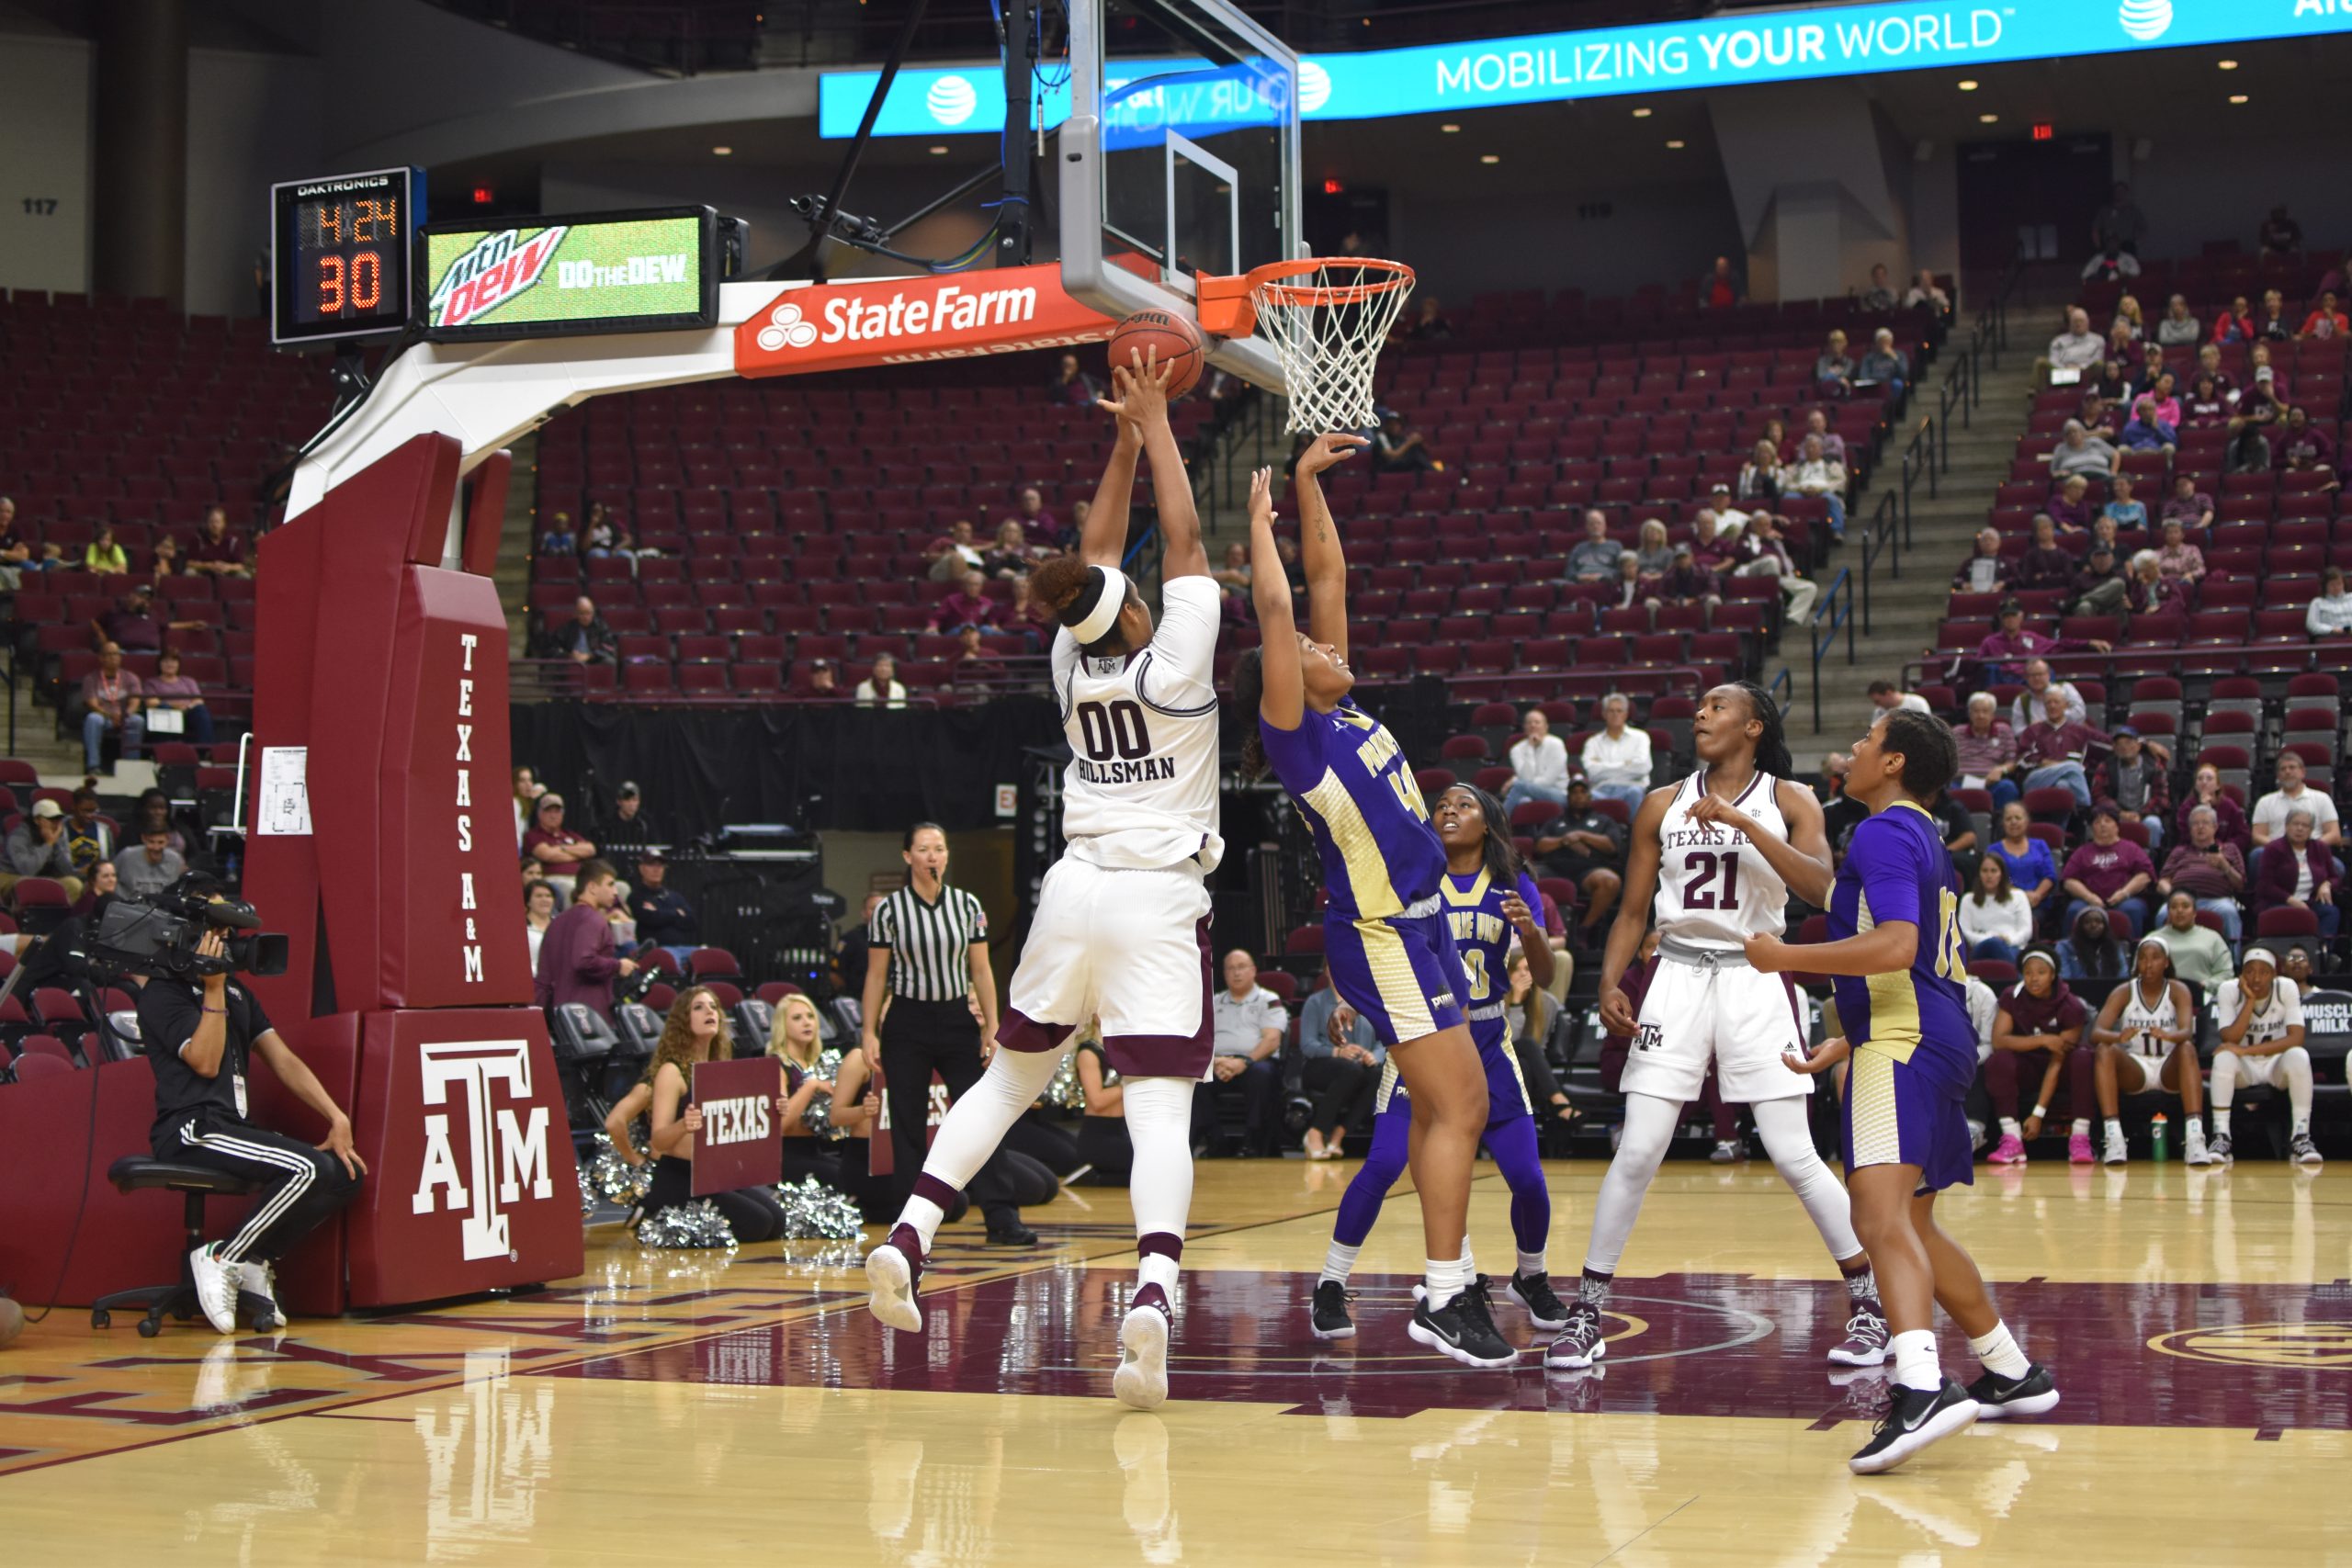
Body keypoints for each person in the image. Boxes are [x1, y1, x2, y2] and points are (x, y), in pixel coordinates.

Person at [865, 356, 1220, 1412]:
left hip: (1072, 890)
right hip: (1156, 895)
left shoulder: (1073, 669)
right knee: (1159, 1116)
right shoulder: (1176, 667)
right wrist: (1155, 427)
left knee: (1007, 1085)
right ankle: (1151, 1291)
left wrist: (1116, 440)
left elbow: (1094, 560)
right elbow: (1184, 542)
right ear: (1140, 618)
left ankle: (910, 1233)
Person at [1237, 433, 1513, 1372]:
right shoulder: (1300, 738)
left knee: (1462, 1104)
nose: (1326, 644)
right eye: (1309, 650)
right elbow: (1281, 605)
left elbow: (1329, 579)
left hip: (1424, 925)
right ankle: (1442, 1293)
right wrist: (1257, 530)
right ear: (1287, 676)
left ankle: (1455, 1276)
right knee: (1453, 1109)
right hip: (1380, 937)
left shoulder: (1346, 706)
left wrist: (1312, 486)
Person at [1547, 683, 1887, 1373]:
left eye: (1718, 705)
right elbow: (1633, 909)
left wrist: (1744, 824)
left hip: (1756, 972)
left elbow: (1822, 888)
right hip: (1674, 973)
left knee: (1794, 1152)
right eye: (1700, 706)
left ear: (1754, 725)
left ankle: (1871, 1303)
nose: (1701, 713)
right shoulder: (1658, 803)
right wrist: (1612, 980)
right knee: (1638, 1147)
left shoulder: (1790, 799)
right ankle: (1585, 1313)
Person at [1759, 709, 2054, 1471]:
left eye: (1864, 739)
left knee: (1877, 1214)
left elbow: (1895, 944)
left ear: (1891, 761)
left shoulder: (1883, 831)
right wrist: (1748, 828)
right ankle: (2011, 1369)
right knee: (1915, 1223)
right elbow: (1841, 898)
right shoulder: (1918, 833)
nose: (1851, 748)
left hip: (1905, 1040)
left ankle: (1923, 1388)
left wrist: (1783, 954)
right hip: (1936, 1034)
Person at [1311, 785, 1568, 1343]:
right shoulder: (1410, 877)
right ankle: (1331, 1283)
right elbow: (1368, 944)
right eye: (1442, 803)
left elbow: (1545, 977)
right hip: (1422, 1040)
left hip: (1488, 1041)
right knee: (1382, 1166)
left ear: (1490, 823)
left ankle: (1532, 1277)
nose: (1448, 809)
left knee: (1526, 1176)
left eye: (1465, 803)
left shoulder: (1511, 885)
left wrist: (1531, 933)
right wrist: (1345, 999)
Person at [138, 909, 366, 1333]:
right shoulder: (163, 993)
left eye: (229, 930)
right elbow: (204, 1063)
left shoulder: (238, 992)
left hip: (231, 1127)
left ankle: (255, 1259)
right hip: (191, 1129)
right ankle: (224, 1257)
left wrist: (337, 1116)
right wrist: (213, 987)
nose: (226, 938)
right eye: (216, 929)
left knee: (343, 1172)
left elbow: (283, 1060)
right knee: (307, 1166)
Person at [856, 821, 1027, 1247]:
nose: (933, 855)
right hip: (907, 1021)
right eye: (924, 849)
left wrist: (992, 1024)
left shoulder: (967, 905)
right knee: (908, 1124)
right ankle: (910, 1226)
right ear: (907, 856)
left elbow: (982, 970)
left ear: (947, 856)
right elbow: (877, 976)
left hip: (955, 1018)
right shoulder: (889, 911)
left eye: (939, 848)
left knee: (981, 1115)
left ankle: (1002, 1216)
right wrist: (868, 1031)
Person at [638, 988, 790, 1243]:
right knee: (758, 1223)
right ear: (683, 1020)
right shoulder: (672, 1071)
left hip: (715, 1175)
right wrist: (683, 1125)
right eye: (698, 1007)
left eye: (713, 1006)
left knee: (777, 1219)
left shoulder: (719, 1068)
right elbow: (658, 1141)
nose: (710, 1011)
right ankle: (658, 1215)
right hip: (679, 1178)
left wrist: (773, 1112)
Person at [2088, 938, 2211, 1166]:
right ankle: (2114, 1138)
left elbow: (2186, 1032)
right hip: (2136, 1068)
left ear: (2166, 962)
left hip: (2169, 1066)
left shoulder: (2178, 990)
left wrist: (2168, 1036)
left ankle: (2195, 1138)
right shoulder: (2124, 991)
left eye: (2155, 958)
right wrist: (2118, 1037)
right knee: (2105, 1050)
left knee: (2186, 1048)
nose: (2148, 964)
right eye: (2143, 958)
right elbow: (2096, 1033)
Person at [2208, 949, 2320, 1167]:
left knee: (2299, 1056)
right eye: (2250, 972)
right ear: (2241, 975)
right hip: (2245, 1068)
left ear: (2274, 975)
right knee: (2223, 1059)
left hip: (2275, 1064)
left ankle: (2301, 1137)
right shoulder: (2228, 990)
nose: (2256, 978)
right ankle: (2221, 1137)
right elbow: (2230, 1037)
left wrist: (2247, 1050)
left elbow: (2296, 1038)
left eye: (2264, 972)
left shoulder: (2286, 987)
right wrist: (2249, 1001)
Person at [1984, 948, 2094, 1164]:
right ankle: (2012, 1138)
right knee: (1999, 1060)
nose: (2034, 978)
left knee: (2083, 1057)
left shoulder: (2072, 1005)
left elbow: (2057, 1061)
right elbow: (1999, 1040)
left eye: (2041, 972)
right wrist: (2044, 1040)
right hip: (2027, 1066)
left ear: (2053, 975)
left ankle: (2081, 1137)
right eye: (2028, 973)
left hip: (2058, 1070)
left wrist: (2038, 1114)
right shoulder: (2011, 996)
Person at [532, 858, 636, 1020]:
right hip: (587, 1016)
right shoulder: (593, 919)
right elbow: (583, 961)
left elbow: (544, 975)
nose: (615, 892)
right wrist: (618, 965)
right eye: (610, 884)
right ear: (592, 887)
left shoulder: (556, 921)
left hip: (555, 1015)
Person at [1204, 949, 1284, 1154]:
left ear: (1253, 971)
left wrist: (1244, 1062)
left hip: (1255, 1062)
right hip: (1219, 1063)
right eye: (1230, 968)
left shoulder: (1268, 999)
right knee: (1194, 1080)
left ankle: (1253, 1140)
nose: (1236, 973)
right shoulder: (1213, 1002)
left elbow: (1272, 1040)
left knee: (1262, 1075)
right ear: (1224, 973)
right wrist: (1217, 1062)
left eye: (1241, 967)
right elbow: (1202, 1040)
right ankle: (1215, 1140)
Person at [1297, 967, 1382, 1159]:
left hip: (1359, 1066)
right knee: (1351, 1071)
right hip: (1321, 1066)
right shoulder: (1315, 1002)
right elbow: (1307, 1045)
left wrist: (1373, 1056)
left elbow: (1382, 1041)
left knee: (1376, 1074)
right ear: (1326, 971)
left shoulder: (1368, 1001)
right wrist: (1338, 1051)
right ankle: (1316, 1132)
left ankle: (1338, 1136)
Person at [1532, 776, 1626, 942]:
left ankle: (1584, 930)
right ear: (1568, 797)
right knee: (1522, 877)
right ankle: (1530, 930)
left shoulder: (1603, 820)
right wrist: (1564, 840)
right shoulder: (1556, 821)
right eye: (1574, 792)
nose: (1578, 796)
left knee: (1610, 881)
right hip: (1555, 868)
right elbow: (1540, 845)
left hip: (1589, 870)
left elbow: (1612, 846)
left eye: (1583, 792)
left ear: (1590, 796)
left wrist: (1581, 835)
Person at [2060, 807, 2155, 939]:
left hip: (2126, 899)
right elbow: (2069, 881)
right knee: (2074, 910)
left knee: (2132, 910)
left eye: (2108, 821)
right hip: (2089, 900)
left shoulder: (2131, 848)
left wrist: (2124, 893)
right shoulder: (2082, 852)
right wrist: (2089, 897)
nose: (2102, 825)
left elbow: (2145, 875)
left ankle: (2132, 949)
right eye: (2097, 822)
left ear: (2117, 826)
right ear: (2092, 829)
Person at [2158, 805, 2246, 944]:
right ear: (2190, 829)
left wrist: (2225, 866)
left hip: (2217, 900)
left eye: (2205, 823)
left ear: (2215, 827)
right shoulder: (2179, 851)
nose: (2200, 827)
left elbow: (2240, 884)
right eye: (2195, 824)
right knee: (2163, 913)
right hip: (2182, 900)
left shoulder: (2229, 849)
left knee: (2229, 912)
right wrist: (2173, 895)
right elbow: (2163, 881)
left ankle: (2234, 962)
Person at [2256, 808, 2343, 939]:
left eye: (2305, 825)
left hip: (2311, 902)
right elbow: (2265, 885)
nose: (2300, 829)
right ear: (2286, 826)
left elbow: (2335, 877)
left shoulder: (2320, 848)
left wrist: (2327, 884)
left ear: (2311, 830)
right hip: (2279, 902)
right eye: (2295, 824)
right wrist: (2291, 901)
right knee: (2289, 915)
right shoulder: (2273, 849)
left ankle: (2323, 953)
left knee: (2331, 912)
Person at [2093, 727, 2167, 851]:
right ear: (2115, 749)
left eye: (2128, 743)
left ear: (2138, 746)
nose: (2124, 747)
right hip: (2115, 814)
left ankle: (2151, 860)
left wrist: (2141, 815)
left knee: (2154, 824)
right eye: (2119, 744)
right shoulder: (2106, 766)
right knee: (2103, 823)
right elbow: (2099, 795)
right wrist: (2119, 813)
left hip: (2144, 814)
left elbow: (2161, 798)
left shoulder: (2153, 766)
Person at [2149, 889, 2235, 995]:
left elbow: (2226, 973)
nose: (2179, 910)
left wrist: (2206, 985)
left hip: (2202, 994)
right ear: (2168, 912)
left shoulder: (2213, 937)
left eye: (2185, 906)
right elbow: (2139, 973)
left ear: (2195, 912)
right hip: (2160, 995)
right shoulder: (2153, 939)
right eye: (2174, 907)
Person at [2251, 750, 2340, 850]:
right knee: (2257, 853)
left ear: (2303, 772)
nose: (2287, 772)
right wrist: (2282, 848)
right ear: (2278, 776)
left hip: (2313, 851)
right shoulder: (2265, 802)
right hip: (2277, 852)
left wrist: (2308, 848)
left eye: (2292, 767)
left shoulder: (2322, 798)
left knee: (2337, 865)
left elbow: (2334, 834)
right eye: (2283, 769)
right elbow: (2257, 836)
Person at [0, 798, 84, 904]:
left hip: (43, 877)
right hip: (10, 876)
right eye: (51, 819)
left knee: (74, 884)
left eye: (58, 819)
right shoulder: (18, 837)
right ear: (37, 820)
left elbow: (66, 870)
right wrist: (48, 844)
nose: (56, 824)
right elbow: (28, 870)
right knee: (26, 883)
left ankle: (64, 918)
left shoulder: (55, 836)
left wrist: (56, 844)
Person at [78, 641, 144, 773]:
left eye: (116, 654)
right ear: (101, 658)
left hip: (125, 716)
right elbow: (92, 704)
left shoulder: (131, 677)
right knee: (93, 719)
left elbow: (135, 702)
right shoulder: (91, 678)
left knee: (138, 721)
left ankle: (131, 765)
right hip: (104, 716)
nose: (113, 657)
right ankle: (93, 765)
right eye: (109, 654)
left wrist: (124, 715)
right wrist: (110, 715)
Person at [1987, 799, 2058, 920]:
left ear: (2026, 821)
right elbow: (1996, 878)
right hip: (2005, 902)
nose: (2013, 822)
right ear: (2003, 824)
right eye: (2008, 819)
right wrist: (2021, 896)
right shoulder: (1994, 850)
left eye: (2018, 818)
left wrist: (2037, 895)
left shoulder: (2040, 845)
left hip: (2037, 902)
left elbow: (2049, 875)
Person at [521, 792, 597, 904]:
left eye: (557, 811)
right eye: (549, 811)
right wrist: (576, 853)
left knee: (617, 887)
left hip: (580, 877)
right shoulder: (533, 835)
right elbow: (547, 855)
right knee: (570, 889)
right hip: (553, 879)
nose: (553, 815)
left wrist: (561, 848)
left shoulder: (568, 834)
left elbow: (591, 849)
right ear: (540, 814)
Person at [1961, 852, 2033, 967]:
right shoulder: (1968, 899)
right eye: (1985, 871)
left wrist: (2008, 940)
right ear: (1979, 874)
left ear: (2002, 874)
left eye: (1994, 871)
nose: (1989, 876)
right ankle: (2018, 977)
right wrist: (1990, 940)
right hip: (1980, 948)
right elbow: (1965, 932)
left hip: (2013, 947)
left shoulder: (2019, 896)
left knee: (2000, 947)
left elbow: (2026, 931)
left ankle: (2015, 973)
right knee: (1993, 944)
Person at [1580, 693, 1652, 809]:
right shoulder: (1592, 742)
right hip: (1600, 790)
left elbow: (1642, 768)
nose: (1615, 715)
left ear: (1626, 714)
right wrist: (1626, 764)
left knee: (1635, 793)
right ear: (1604, 714)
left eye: (1619, 711)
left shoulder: (1640, 737)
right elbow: (1592, 773)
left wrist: (1602, 766)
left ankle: (1636, 828)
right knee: (1583, 798)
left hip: (1631, 787)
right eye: (1611, 711)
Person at [628, 851, 699, 959]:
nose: (656, 869)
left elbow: (691, 921)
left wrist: (660, 913)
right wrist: (677, 913)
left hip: (683, 948)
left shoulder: (675, 896)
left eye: (660, 865)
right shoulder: (636, 897)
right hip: (658, 952)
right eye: (651, 864)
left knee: (713, 957)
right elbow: (651, 919)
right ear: (641, 868)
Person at [1953, 694, 2020, 808]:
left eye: (1985, 711)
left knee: (2008, 787)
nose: (1981, 715)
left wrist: (2001, 769)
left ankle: (2000, 824)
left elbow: (2012, 761)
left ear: (1993, 714)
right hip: (1961, 782)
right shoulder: (1957, 732)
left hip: (1992, 781)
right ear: (1969, 714)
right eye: (1976, 711)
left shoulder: (2004, 730)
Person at [141, 648, 216, 747]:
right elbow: (151, 702)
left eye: (173, 661)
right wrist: (175, 706)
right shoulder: (151, 683)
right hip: (165, 714)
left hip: (187, 714)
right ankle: (166, 750)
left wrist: (187, 707)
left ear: (178, 664)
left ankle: (205, 750)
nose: (170, 664)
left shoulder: (188, 681)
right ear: (159, 664)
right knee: (164, 709)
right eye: (166, 661)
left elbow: (199, 700)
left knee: (201, 711)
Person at [1503, 706, 1570, 817]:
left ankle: (1498, 824)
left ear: (1546, 727)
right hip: (1527, 793)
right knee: (1523, 801)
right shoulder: (1517, 749)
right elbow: (1525, 777)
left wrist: (1518, 782)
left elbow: (1548, 781)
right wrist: (1530, 748)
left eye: (1537, 722)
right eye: (1529, 723)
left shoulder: (1556, 744)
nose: (1533, 725)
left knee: (1519, 786)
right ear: (1524, 727)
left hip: (1557, 792)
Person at [1789, 434, 1849, 538]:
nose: (1811, 450)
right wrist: (1800, 489)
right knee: (1787, 498)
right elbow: (1787, 483)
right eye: (1808, 447)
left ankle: (1837, 530)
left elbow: (1840, 481)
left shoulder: (1831, 464)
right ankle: (1790, 529)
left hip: (1823, 491)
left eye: (1814, 447)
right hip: (1801, 492)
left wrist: (1820, 489)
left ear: (1821, 449)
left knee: (1831, 499)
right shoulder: (1796, 467)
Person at [542, 596, 617, 667]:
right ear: (576, 614)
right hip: (571, 662)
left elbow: (609, 648)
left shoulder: (601, 627)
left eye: (588, 613)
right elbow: (552, 647)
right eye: (582, 613)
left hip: (594, 661)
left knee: (610, 662)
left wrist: (590, 656)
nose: (585, 617)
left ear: (593, 613)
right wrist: (569, 655)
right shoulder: (567, 628)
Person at [2058, 905, 2124, 985]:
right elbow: (2064, 980)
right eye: (2087, 922)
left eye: (2098, 921)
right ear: (2079, 927)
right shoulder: (2065, 947)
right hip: (2076, 993)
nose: (2093, 925)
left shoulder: (2114, 946)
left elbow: (2123, 978)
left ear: (2105, 926)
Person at [118, 825, 187, 899]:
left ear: (168, 840)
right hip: (128, 906)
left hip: (161, 908)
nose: (156, 847)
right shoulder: (127, 855)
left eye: (160, 842)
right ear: (143, 839)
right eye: (151, 842)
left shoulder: (175, 860)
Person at [2309, 567, 2352, 637]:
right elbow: (2312, 625)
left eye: (2339, 583)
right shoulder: (2317, 603)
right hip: (2330, 638)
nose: (2336, 587)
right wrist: (2331, 630)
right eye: (2332, 584)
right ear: (2325, 586)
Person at [525, 878, 557, 971]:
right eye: (539, 896)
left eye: (548, 896)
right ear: (528, 902)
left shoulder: (561, 925)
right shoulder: (520, 929)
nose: (545, 900)